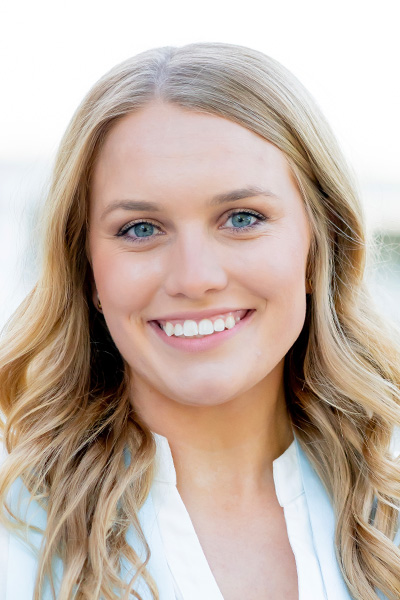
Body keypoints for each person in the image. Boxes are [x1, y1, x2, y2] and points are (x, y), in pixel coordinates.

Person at [0, 42, 399, 600]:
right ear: (87, 270)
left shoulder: (391, 504)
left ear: (319, 246)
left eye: (242, 218)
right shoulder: (14, 535)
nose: (194, 277)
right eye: (141, 228)